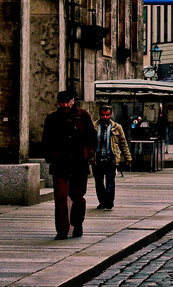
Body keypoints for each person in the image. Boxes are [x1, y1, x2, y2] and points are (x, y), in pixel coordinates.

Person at [41, 90, 93, 239]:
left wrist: (88, 153)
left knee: (77, 197)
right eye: (61, 103)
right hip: (60, 164)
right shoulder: (52, 118)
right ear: (58, 103)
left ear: (73, 101)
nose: (64, 105)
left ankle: (77, 225)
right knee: (60, 198)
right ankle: (62, 230)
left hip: (79, 163)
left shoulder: (83, 116)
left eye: (67, 102)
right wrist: (50, 156)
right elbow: (45, 140)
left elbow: (92, 138)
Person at [91, 104, 130, 211]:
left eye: (107, 115)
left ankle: (109, 202)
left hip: (110, 158)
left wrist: (128, 157)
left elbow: (123, 143)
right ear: (100, 114)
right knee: (98, 183)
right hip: (97, 159)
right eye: (103, 115)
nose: (105, 117)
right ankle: (102, 201)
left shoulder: (117, 127)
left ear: (110, 114)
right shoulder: (94, 126)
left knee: (110, 182)